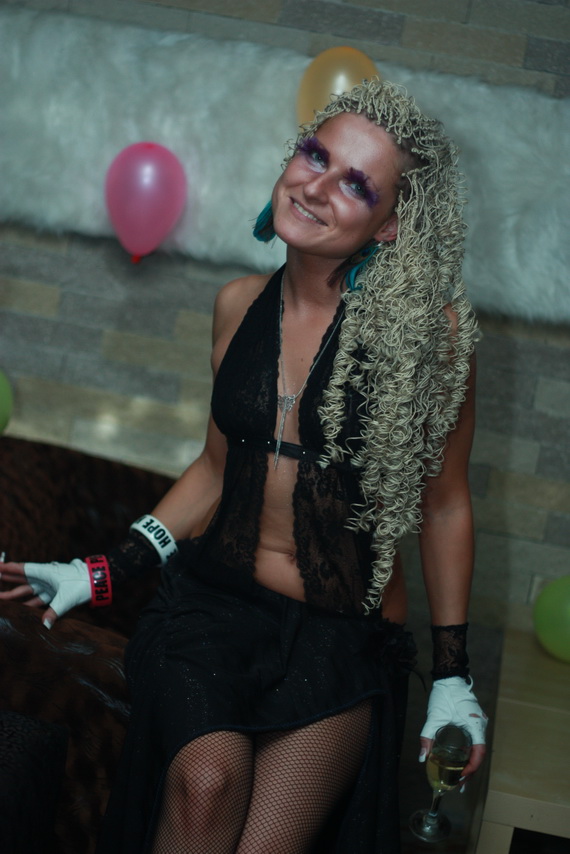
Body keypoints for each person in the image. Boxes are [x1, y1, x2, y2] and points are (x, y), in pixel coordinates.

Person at [0, 79, 487, 853]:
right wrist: (104, 570)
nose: (316, 186)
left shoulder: (434, 339)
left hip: (341, 638)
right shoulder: (235, 305)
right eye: (315, 155)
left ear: (391, 223)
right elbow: (214, 467)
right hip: (214, 612)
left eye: (355, 184)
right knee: (204, 788)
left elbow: (446, 504)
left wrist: (454, 675)